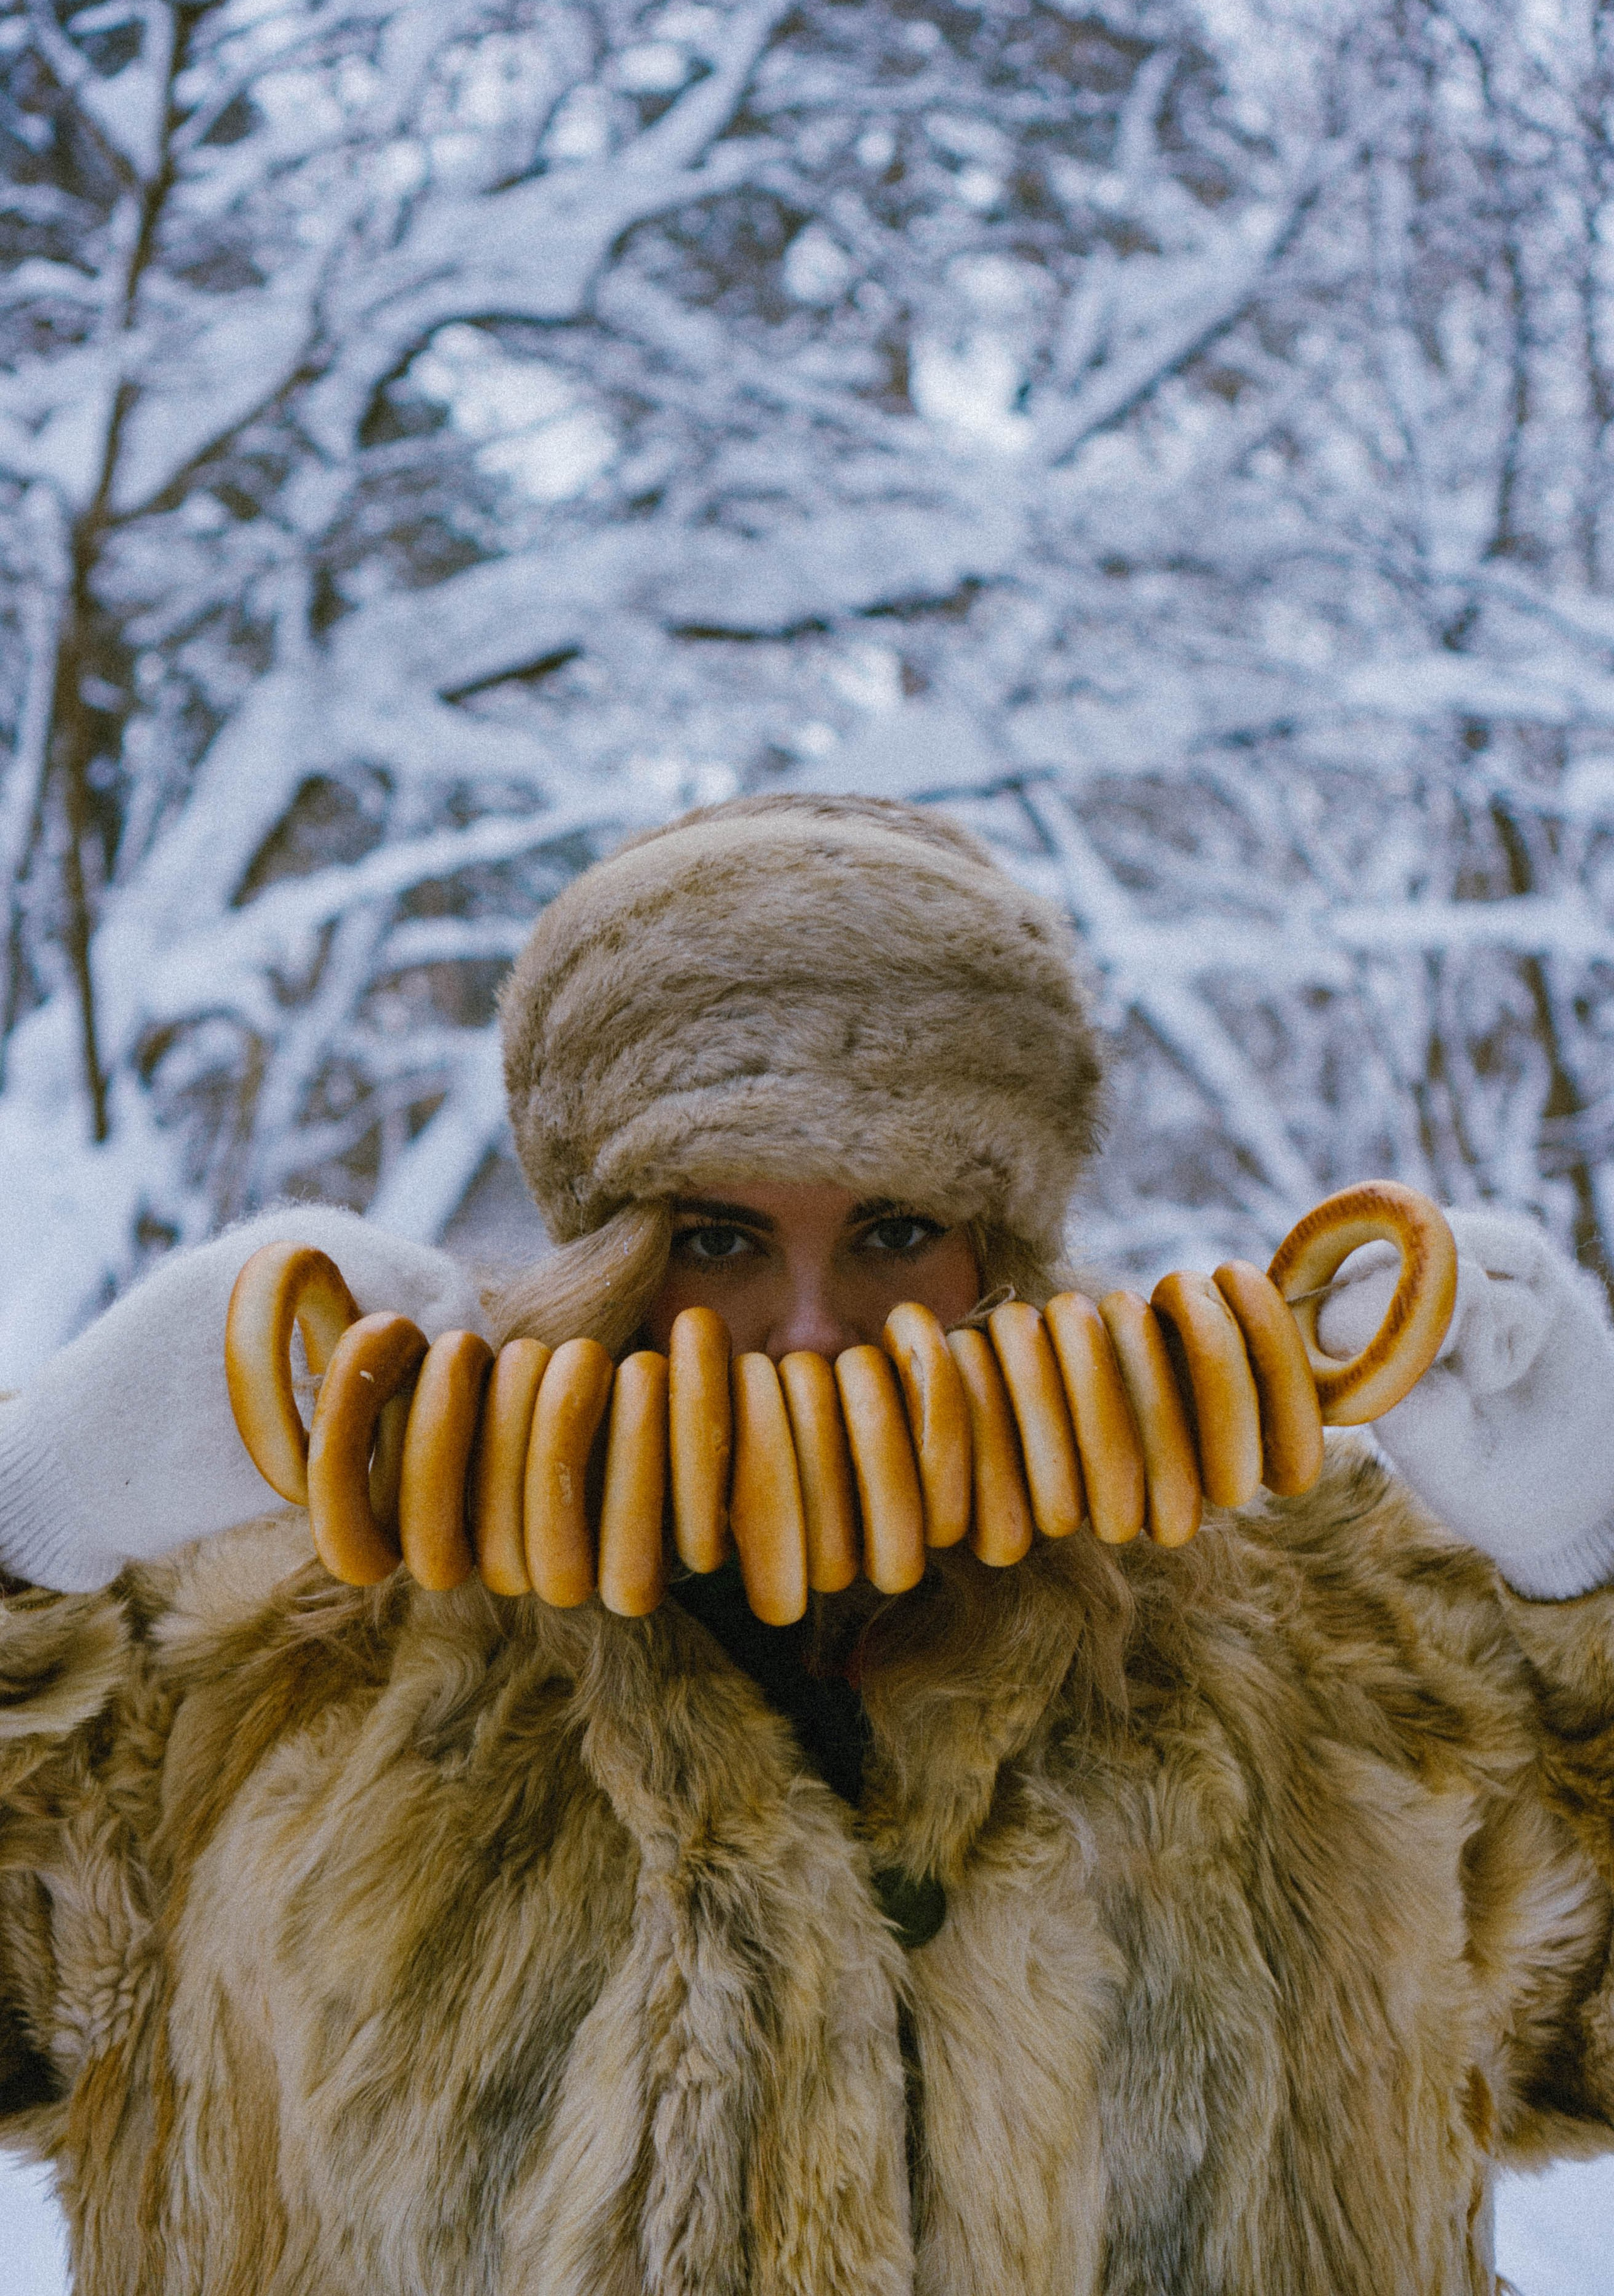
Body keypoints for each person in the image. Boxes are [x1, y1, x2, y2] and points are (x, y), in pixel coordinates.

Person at [1, 791, 1613, 2296]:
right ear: (601, 1243)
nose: (807, 1335)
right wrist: (43, 1504)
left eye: (894, 1233)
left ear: (1006, 1250)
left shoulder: (1323, 1646)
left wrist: (1579, 1544)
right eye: (715, 1239)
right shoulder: (282, 1658)